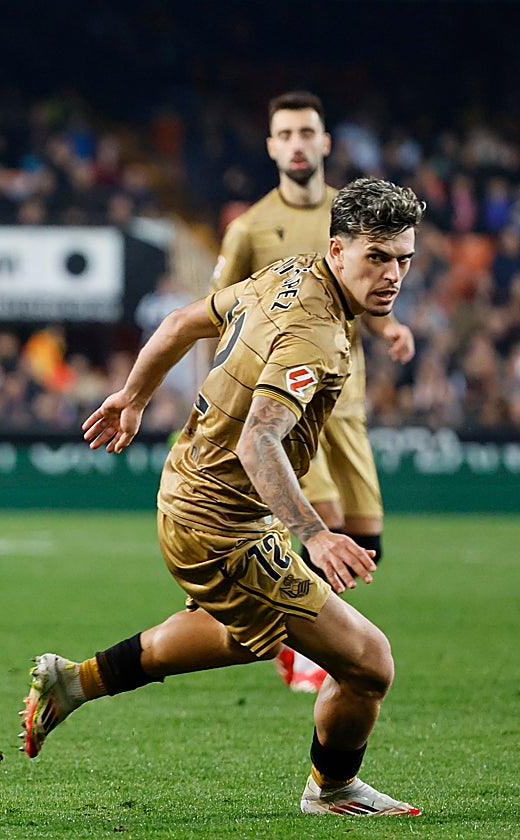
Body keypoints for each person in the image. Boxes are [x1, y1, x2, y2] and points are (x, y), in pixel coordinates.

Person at [23, 177, 425, 818]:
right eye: (376, 256)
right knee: (369, 664)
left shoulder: (287, 274)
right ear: (338, 248)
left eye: (404, 258)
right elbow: (260, 443)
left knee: (244, 633)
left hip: (198, 497)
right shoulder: (312, 332)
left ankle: (74, 683)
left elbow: (182, 321)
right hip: (221, 520)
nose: (393, 274)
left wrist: (133, 396)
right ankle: (333, 790)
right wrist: (316, 533)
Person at [210, 91, 415, 692]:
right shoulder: (248, 228)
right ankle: (310, 655)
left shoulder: (354, 217)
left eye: (307, 132)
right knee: (320, 520)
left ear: (325, 143)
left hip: (347, 401)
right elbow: (224, 313)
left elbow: (368, 290)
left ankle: (300, 636)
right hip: (292, 403)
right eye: (286, 134)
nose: (298, 143)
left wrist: (390, 326)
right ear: (272, 146)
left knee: (365, 533)